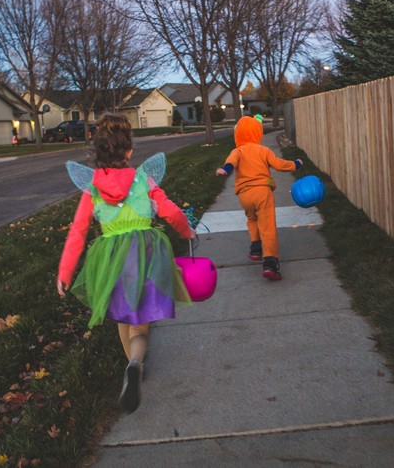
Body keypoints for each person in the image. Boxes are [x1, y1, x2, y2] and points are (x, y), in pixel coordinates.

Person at [56, 113, 195, 414]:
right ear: (129, 151)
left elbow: (78, 231)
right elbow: (170, 212)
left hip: (112, 260)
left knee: (123, 316)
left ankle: (133, 367)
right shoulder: (144, 180)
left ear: (98, 154)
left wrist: (65, 272)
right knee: (140, 327)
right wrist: (187, 231)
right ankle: (136, 362)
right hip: (145, 255)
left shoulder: (92, 189)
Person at [216, 115, 301, 280]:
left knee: (252, 219)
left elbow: (230, 162)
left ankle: (256, 247)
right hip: (262, 192)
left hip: (245, 195)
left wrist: (225, 170)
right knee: (267, 226)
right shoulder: (264, 151)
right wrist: (295, 164)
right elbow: (279, 165)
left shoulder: (237, 151)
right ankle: (270, 263)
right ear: (258, 134)